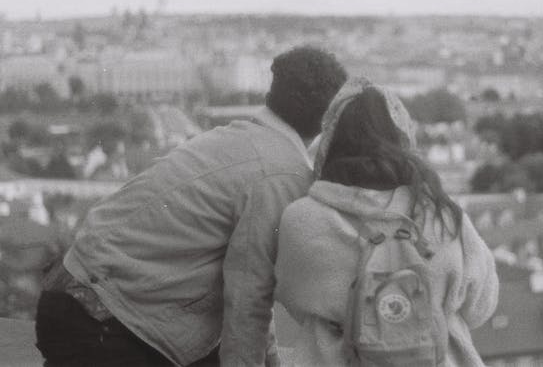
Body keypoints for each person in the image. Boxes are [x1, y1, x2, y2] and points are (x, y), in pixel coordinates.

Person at [35, 46, 347, 367]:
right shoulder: (284, 174)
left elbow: (249, 287)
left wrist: (268, 358)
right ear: (328, 118)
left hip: (79, 297)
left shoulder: (230, 138)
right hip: (107, 322)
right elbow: (248, 301)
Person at [274, 78, 498, 366]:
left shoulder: (301, 220)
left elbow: (291, 298)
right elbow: (480, 307)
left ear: (330, 140)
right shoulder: (444, 215)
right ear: (403, 138)